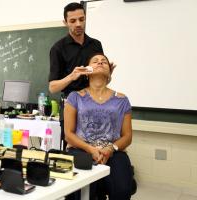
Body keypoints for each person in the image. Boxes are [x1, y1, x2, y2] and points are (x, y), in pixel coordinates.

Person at [64, 53, 133, 200]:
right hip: (81, 149)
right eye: (95, 61)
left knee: (122, 189)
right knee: (82, 189)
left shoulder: (122, 100)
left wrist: (110, 149)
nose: (100, 63)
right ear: (87, 72)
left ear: (109, 72)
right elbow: (68, 134)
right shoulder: (75, 97)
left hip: (113, 151)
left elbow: (127, 136)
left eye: (104, 62)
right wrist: (91, 149)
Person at [49, 2, 108, 150]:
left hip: (95, 104)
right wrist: (72, 76)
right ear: (65, 22)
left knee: (97, 145)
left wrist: (107, 73)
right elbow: (52, 87)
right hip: (72, 105)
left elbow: (101, 79)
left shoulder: (96, 45)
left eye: (81, 19)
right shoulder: (58, 48)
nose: (78, 24)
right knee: (73, 148)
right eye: (73, 21)